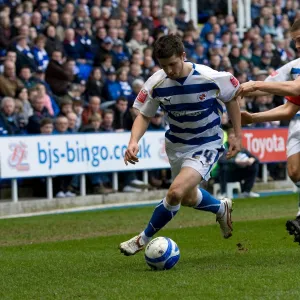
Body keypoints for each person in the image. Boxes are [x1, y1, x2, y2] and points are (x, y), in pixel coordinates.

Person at [119, 34, 242, 256]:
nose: (170, 71)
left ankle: (141, 239)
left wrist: (237, 135)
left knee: (174, 192)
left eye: (173, 64)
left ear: (183, 56)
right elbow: (144, 115)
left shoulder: (209, 76)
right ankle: (220, 207)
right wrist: (133, 141)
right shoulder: (156, 82)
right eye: (164, 66)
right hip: (176, 145)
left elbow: (232, 98)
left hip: (207, 142)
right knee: (187, 197)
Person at [237, 18, 300, 244]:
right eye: (295, 41)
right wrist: (253, 118)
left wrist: (257, 84)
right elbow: (289, 108)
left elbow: (295, 87)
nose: (298, 45)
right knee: (294, 172)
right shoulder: (295, 67)